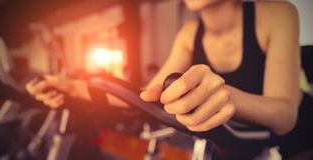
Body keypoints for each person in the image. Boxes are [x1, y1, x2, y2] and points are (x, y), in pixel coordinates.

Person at [26, 0, 303, 159]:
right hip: (226, 142)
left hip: (293, 137)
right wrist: (73, 87)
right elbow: (147, 95)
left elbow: (286, 117)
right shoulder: (189, 33)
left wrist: (226, 96)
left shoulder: (277, 14)